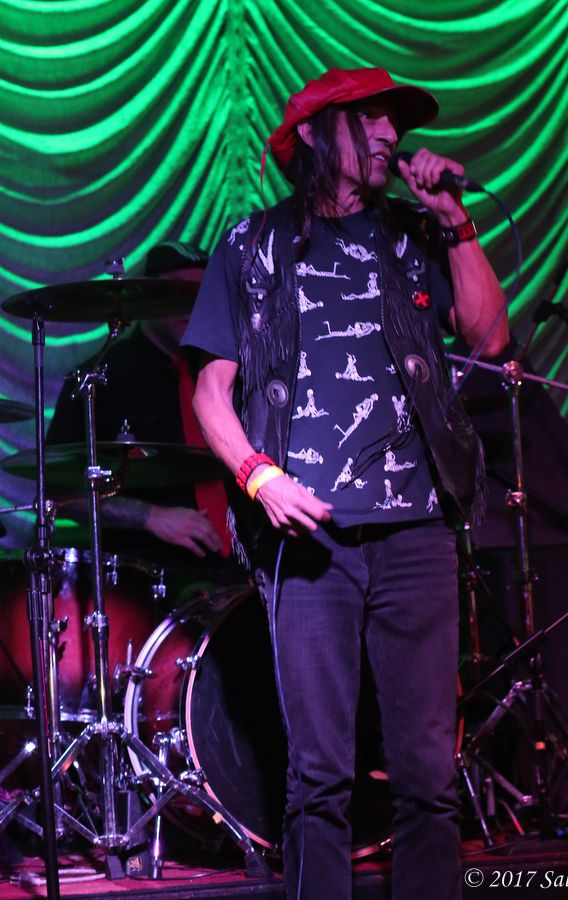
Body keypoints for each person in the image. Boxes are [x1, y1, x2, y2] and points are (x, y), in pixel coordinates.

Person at [182, 67, 509, 900]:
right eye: (370, 119)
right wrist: (258, 477)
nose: (391, 135)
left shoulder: (414, 236)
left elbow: (488, 336)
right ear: (316, 133)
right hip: (309, 543)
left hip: (416, 535)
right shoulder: (250, 246)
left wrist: (454, 221)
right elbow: (211, 392)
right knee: (318, 779)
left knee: (428, 777)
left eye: (395, 121)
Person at [48, 242, 236, 596]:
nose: (191, 306)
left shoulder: (225, 370)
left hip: (241, 571)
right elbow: (59, 492)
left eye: (201, 295)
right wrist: (152, 517)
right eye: (178, 293)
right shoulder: (99, 378)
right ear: (147, 297)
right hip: (148, 580)